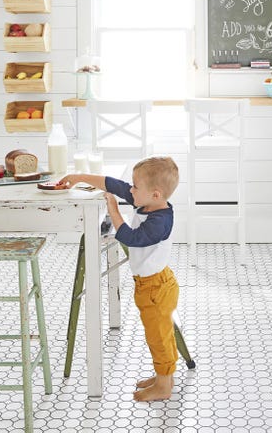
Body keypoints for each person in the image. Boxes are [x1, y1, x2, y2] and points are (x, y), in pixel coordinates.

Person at [58, 156, 180, 402]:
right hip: (150, 284)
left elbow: (131, 237)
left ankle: (164, 386)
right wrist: (79, 176)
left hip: (155, 287)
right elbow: (114, 184)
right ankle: (162, 376)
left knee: (159, 337)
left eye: (135, 187)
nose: (130, 190)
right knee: (158, 335)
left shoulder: (160, 222)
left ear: (155, 194)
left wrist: (113, 210)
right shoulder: (147, 202)